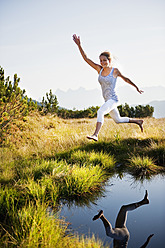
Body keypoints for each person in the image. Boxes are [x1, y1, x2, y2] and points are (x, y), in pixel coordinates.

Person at [73, 34, 144, 141]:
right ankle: (138, 121)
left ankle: (95, 134)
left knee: (100, 112)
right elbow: (86, 58)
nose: (102, 62)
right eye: (101, 60)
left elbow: (126, 79)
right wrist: (79, 45)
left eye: (104, 60)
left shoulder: (114, 71)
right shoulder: (99, 69)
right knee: (118, 120)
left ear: (109, 60)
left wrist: (136, 87)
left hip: (113, 99)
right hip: (107, 100)